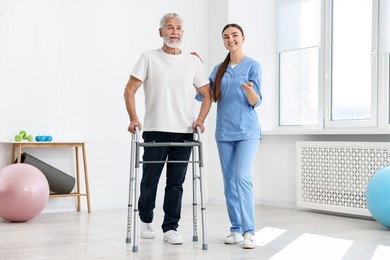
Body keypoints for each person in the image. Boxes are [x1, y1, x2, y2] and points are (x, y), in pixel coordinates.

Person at [124, 13, 212, 245]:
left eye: (178, 28)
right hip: (155, 128)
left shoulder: (193, 62)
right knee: (150, 179)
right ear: (160, 32)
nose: (174, 32)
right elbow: (130, 90)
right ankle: (145, 220)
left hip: (184, 131)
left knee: (176, 182)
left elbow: (207, 95)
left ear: (183, 32)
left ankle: (170, 228)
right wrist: (133, 118)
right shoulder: (148, 58)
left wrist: (200, 120)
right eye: (169, 28)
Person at [209, 23, 262, 249]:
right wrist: (192, 65)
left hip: (247, 131)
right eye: (226, 37)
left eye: (234, 35)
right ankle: (236, 229)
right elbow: (206, 96)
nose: (230, 40)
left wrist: (249, 89)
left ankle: (249, 231)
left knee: (242, 177)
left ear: (243, 38)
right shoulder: (218, 69)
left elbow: (255, 101)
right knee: (229, 182)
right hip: (224, 132)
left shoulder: (253, 65)